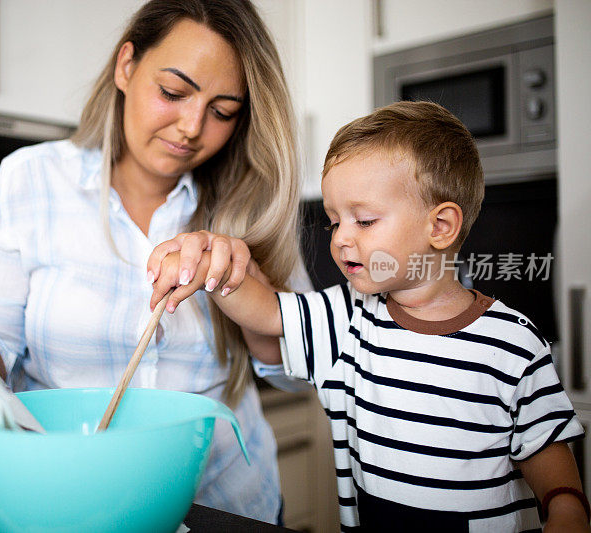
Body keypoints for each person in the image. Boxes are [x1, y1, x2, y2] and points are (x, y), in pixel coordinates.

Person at [0, 0, 310, 523]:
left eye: (223, 111)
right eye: (173, 92)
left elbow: (299, 378)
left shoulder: (253, 203)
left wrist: (245, 288)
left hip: (225, 509)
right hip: (72, 507)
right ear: (126, 65)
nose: (191, 127)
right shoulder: (29, 182)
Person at [148, 101, 590, 532]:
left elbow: (544, 443)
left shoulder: (513, 342)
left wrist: (566, 507)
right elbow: (266, 313)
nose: (340, 238)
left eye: (364, 221)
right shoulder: (348, 318)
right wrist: (214, 261)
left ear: (439, 227)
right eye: (334, 221)